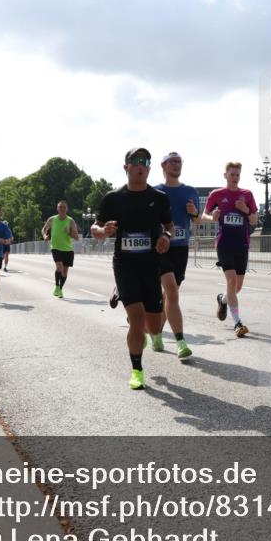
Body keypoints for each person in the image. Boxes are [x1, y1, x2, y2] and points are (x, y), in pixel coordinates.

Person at [91, 147, 174, 390]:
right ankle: (137, 370)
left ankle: (134, 318)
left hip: (151, 265)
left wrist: (167, 237)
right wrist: (103, 231)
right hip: (125, 264)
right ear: (126, 166)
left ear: (149, 168)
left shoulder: (159, 198)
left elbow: (170, 226)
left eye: (146, 161)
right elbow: (94, 230)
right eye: (136, 161)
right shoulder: (113, 198)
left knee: (154, 326)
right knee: (137, 321)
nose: (141, 165)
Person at [152, 151, 200, 359]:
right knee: (171, 290)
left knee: (170, 294)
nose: (176, 165)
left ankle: (156, 333)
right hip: (161, 247)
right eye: (172, 162)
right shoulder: (154, 191)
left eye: (179, 162)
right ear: (163, 166)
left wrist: (193, 212)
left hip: (181, 248)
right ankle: (180, 341)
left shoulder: (190, 191)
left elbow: (197, 221)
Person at [202, 162, 258, 338]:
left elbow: (254, 220)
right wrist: (212, 217)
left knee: (237, 286)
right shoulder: (217, 194)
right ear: (225, 175)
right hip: (224, 243)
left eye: (237, 175)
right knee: (232, 281)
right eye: (232, 174)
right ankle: (237, 323)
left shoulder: (247, 194)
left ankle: (223, 300)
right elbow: (204, 214)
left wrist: (246, 210)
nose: (235, 177)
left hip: (242, 244)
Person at [42, 200, 81, 298]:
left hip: (68, 249)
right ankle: (56, 287)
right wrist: (44, 236)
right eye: (60, 207)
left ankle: (60, 289)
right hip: (55, 247)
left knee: (65, 272)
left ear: (67, 209)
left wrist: (69, 233)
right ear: (57, 208)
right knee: (59, 267)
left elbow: (76, 237)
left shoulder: (70, 221)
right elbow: (44, 229)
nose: (62, 209)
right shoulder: (52, 219)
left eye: (64, 207)